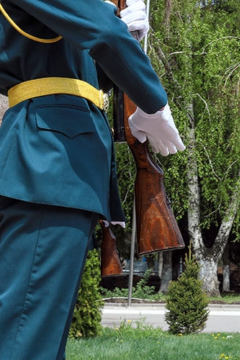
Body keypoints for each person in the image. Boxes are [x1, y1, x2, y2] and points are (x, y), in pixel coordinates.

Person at [0, 1, 185, 359]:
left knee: (39, 336)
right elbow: (100, 32)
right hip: (50, 161)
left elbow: (76, 58)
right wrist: (154, 102)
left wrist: (121, 36)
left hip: (53, 154)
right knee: (26, 340)